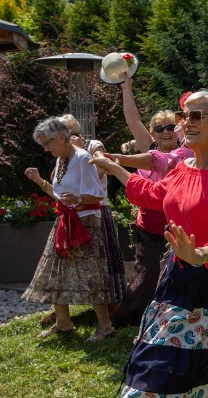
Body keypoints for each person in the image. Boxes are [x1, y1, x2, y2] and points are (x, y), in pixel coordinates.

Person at [92, 89, 208, 398]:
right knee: (157, 367)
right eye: (185, 115)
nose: (187, 122)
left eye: (198, 115)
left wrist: (200, 253)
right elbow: (156, 194)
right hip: (180, 281)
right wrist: (116, 170)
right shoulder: (182, 167)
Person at [22, 117, 116, 342]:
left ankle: (105, 326)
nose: (45, 149)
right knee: (55, 269)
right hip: (65, 220)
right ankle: (63, 322)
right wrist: (39, 181)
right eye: (43, 145)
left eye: (47, 143)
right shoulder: (61, 160)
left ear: (61, 137)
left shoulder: (83, 158)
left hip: (85, 223)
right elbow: (60, 197)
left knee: (90, 274)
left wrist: (78, 197)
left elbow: (97, 195)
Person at [111, 77, 181, 328]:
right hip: (149, 223)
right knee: (147, 271)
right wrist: (126, 88)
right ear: (152, 133)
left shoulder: (187, 153)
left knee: (173, 271)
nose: (165, 132)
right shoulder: (149, 149)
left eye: (170, 126)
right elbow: (133, 121)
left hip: (178, 223)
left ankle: (169, 316)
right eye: (159, 128)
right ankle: (135, 315)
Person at [57, 114, 128, 311]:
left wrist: (79, 149)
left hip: (97, 209)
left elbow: (98, 173)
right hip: (72, 212)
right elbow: (57, 180)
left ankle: (113, 303)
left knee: (104, 257)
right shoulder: (63, 155)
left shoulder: (93, 145)